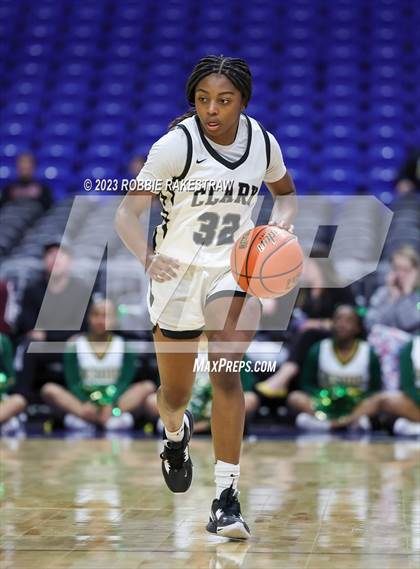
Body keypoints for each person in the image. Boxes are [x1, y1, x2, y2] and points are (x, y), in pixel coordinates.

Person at [115, 55, 297, 539]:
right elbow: (127, 215)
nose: (212, 109)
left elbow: (286, 193)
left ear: (243, 101)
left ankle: (226, 499)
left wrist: (279, 225)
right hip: (175, 276)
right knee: (173, 396)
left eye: (224, 99)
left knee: (224, 365)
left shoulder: (262, 142)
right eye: (202, 99)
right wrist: (148, 260)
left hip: (230, 271)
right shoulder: (175, 146)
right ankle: (175, 435)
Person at [41, 298, 156, 430]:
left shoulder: (125, 347)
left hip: (115, 402)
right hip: (84, 402)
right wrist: (89, 402)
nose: (100, 320)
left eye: (106, 316)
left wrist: (110, 404)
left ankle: (100, 417)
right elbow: (73, 382)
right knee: (49, 390)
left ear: (115, 320)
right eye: (96, 315)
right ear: (89, 317)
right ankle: (89, 415)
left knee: (147, 387)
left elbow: (124, 383)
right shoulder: (75, 345)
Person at [255, 248, 355, 398]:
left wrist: (317, 323)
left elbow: (349, 320)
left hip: (330, 335)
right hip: (302, 335)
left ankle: (282, 379)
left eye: (307, 265)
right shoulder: (303, 291)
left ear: (319, 265)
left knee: (308, 333)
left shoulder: (339, 289)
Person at [14, 240, 92, 402]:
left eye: (60, 255)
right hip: (43, 347)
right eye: (50, 255)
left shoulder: (82, 290)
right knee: (28, 347)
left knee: (83, 346)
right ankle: (21, 401)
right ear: (44, 261)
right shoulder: (32, 290)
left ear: (70, 261)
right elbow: (27, 325)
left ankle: (83, 402)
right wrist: (57, 335)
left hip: (70, 345)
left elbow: (83, 326)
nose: (54, 259)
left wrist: (48, 334)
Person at [288, 305, 382, 432]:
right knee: (295, 397)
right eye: (338, 319)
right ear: (332, 323)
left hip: (356, 405)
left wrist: (352, 398)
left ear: (357, 328)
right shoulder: (318, 349)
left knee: (378, 401)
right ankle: (344, 424)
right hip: (324, 403)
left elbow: (375, 389)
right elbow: (306, 384)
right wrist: (326, 396)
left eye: (348, 320)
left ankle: (325, 425)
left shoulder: (368, 352)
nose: (342, 324)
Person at [366, 245, 419, 334]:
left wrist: (406, 295)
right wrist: (392, 300)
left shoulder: (418, 296)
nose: (400, 274)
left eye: (405, 269)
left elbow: (412, 324)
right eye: (396, 268)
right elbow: (371, 324)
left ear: (415, 272)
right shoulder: (382, 293)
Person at [380, 336, 420, 437]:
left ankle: (411, 427)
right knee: (385, 400)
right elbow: (407, 386)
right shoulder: (412, 346)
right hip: (416, 404)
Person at [0, 332, 27, 435]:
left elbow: (11, 379)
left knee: (18, 401)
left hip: (1, 399)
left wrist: (2, 386)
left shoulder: (3, 341)